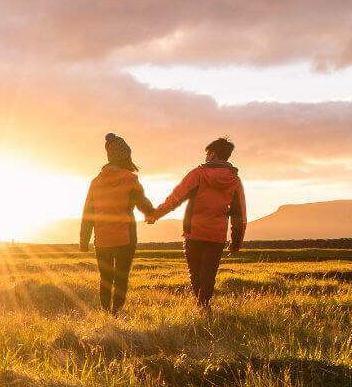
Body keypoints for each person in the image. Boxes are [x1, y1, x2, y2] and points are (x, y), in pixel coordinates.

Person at [146, 137, 246, 311]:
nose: (206, 157)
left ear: (213, 154)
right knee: (209, 274)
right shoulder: (235, 181)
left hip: (194, 234)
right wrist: (236, 242)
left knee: (196, 274)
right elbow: (240, 215)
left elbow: (175, 199)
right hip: (216, 236)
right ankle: (204, 305)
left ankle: (201, 306)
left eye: (207, 153)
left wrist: (155, 215)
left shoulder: (198, 174)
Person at [80, 133, 156, 314]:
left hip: (102, 239)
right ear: (125, 156)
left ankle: (106, 313)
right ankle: (116, 314)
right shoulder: (130, 178)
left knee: (105, 278)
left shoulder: (96, 182)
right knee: (121, 278)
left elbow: (88, 213)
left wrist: (84, 240)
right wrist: (151, 214)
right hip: (125, 238)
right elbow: (142, 202)